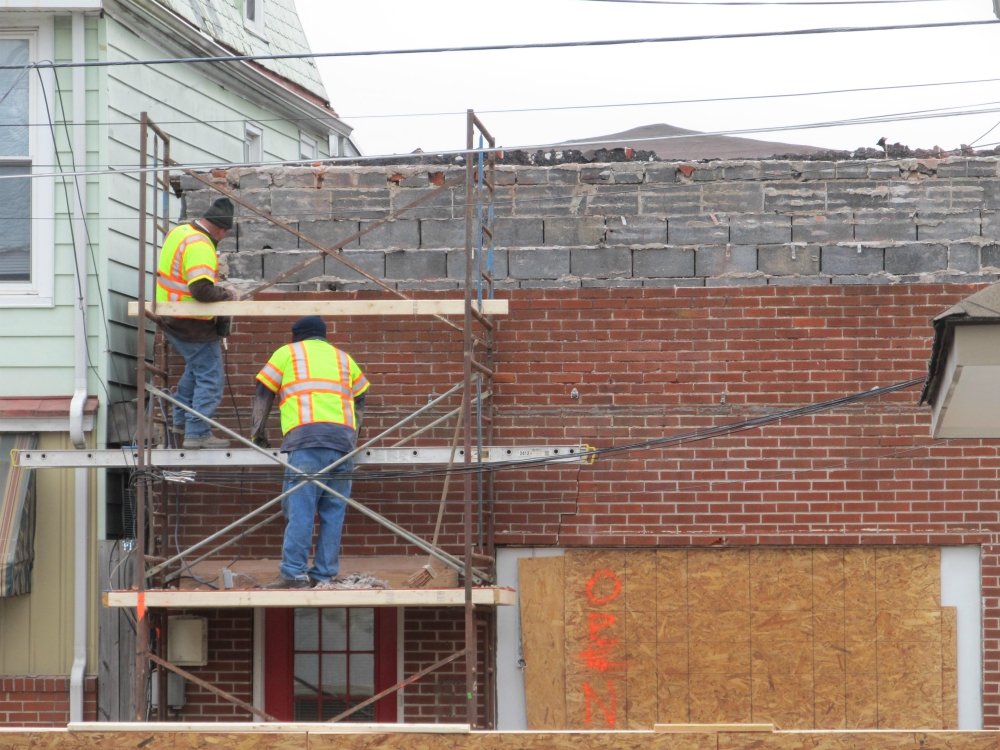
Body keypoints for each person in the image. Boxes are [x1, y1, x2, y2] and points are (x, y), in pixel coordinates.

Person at [251, 316, 370, 588]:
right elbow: (361, 394)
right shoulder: (344, 358)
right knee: (333, 510)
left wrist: (257, 434)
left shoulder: (287, 353)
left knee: (301, 507)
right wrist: (353, 433)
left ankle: (294, 573)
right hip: (342, 443)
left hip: (307, 439)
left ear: (298, 336)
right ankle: (324, 573)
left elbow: (263, 393)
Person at [156, 197, 238, 449]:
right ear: (222, 229)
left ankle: (181, 421)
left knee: (196, 369)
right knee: (211, 376)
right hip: (189, 319)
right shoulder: (201, 244)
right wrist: (227, 294)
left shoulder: (181, 231)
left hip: (172, 315)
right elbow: (201, 290)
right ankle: (198, 432)